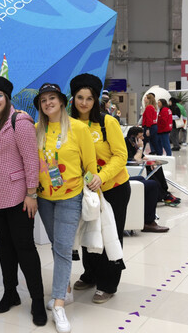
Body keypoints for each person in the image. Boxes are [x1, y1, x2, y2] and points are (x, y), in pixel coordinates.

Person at [0, 76, 46, 326]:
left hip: (17, 197)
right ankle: (10, 292)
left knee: (25, 248)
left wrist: (31, 194)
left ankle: (37, 300)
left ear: (7, 97)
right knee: (4, 246)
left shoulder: (20, 122)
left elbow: (31, 160)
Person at [34, 82, 97, 333]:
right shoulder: (36, 130)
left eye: (52, 98)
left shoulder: (78, 128)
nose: (48, 103)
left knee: (62, 247)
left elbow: (90, 166)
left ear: (62, 101)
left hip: (70, 196)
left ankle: (59, 303)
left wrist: (95, 181)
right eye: (43, 100)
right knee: (56, 244)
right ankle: (66, 288)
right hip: (44, 198)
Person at [68, 74, 130, 306]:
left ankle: (108, 284)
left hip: (113, 188)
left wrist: (101, 177)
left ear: (96, 100)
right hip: (85, 191)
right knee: (88, 231)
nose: (84, 103)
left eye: (89, 98)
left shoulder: (107, 122)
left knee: (109, 234)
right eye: (80, 97)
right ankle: (91, 274)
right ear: (73, 99)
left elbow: (121, 155)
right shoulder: (68, 124)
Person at [125, 127, 170, 232]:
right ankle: (149, 222)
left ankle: (165, 193)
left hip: (136, 168)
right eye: (141, 136)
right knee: (152, 184)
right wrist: (140, 148)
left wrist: (152, 161)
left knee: (153, 170)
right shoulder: (126, 144)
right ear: (133, 137)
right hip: (131, 168)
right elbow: (136, 159)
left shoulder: (134, 144)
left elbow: (143, 157)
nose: (143, 138)